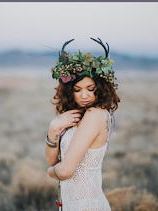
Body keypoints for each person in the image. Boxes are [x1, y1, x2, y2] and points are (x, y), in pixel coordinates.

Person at [45, 38, 120, 211]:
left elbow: (63, 171)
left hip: (86, 204)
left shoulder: (96, 115)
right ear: (69, 91)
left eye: (90, 88)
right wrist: (54, 126)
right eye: (77, 90)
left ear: (100, 88)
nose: (84, 95)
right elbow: (52, 159)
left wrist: (50, 173)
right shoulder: (76, 116)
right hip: (72, 204)